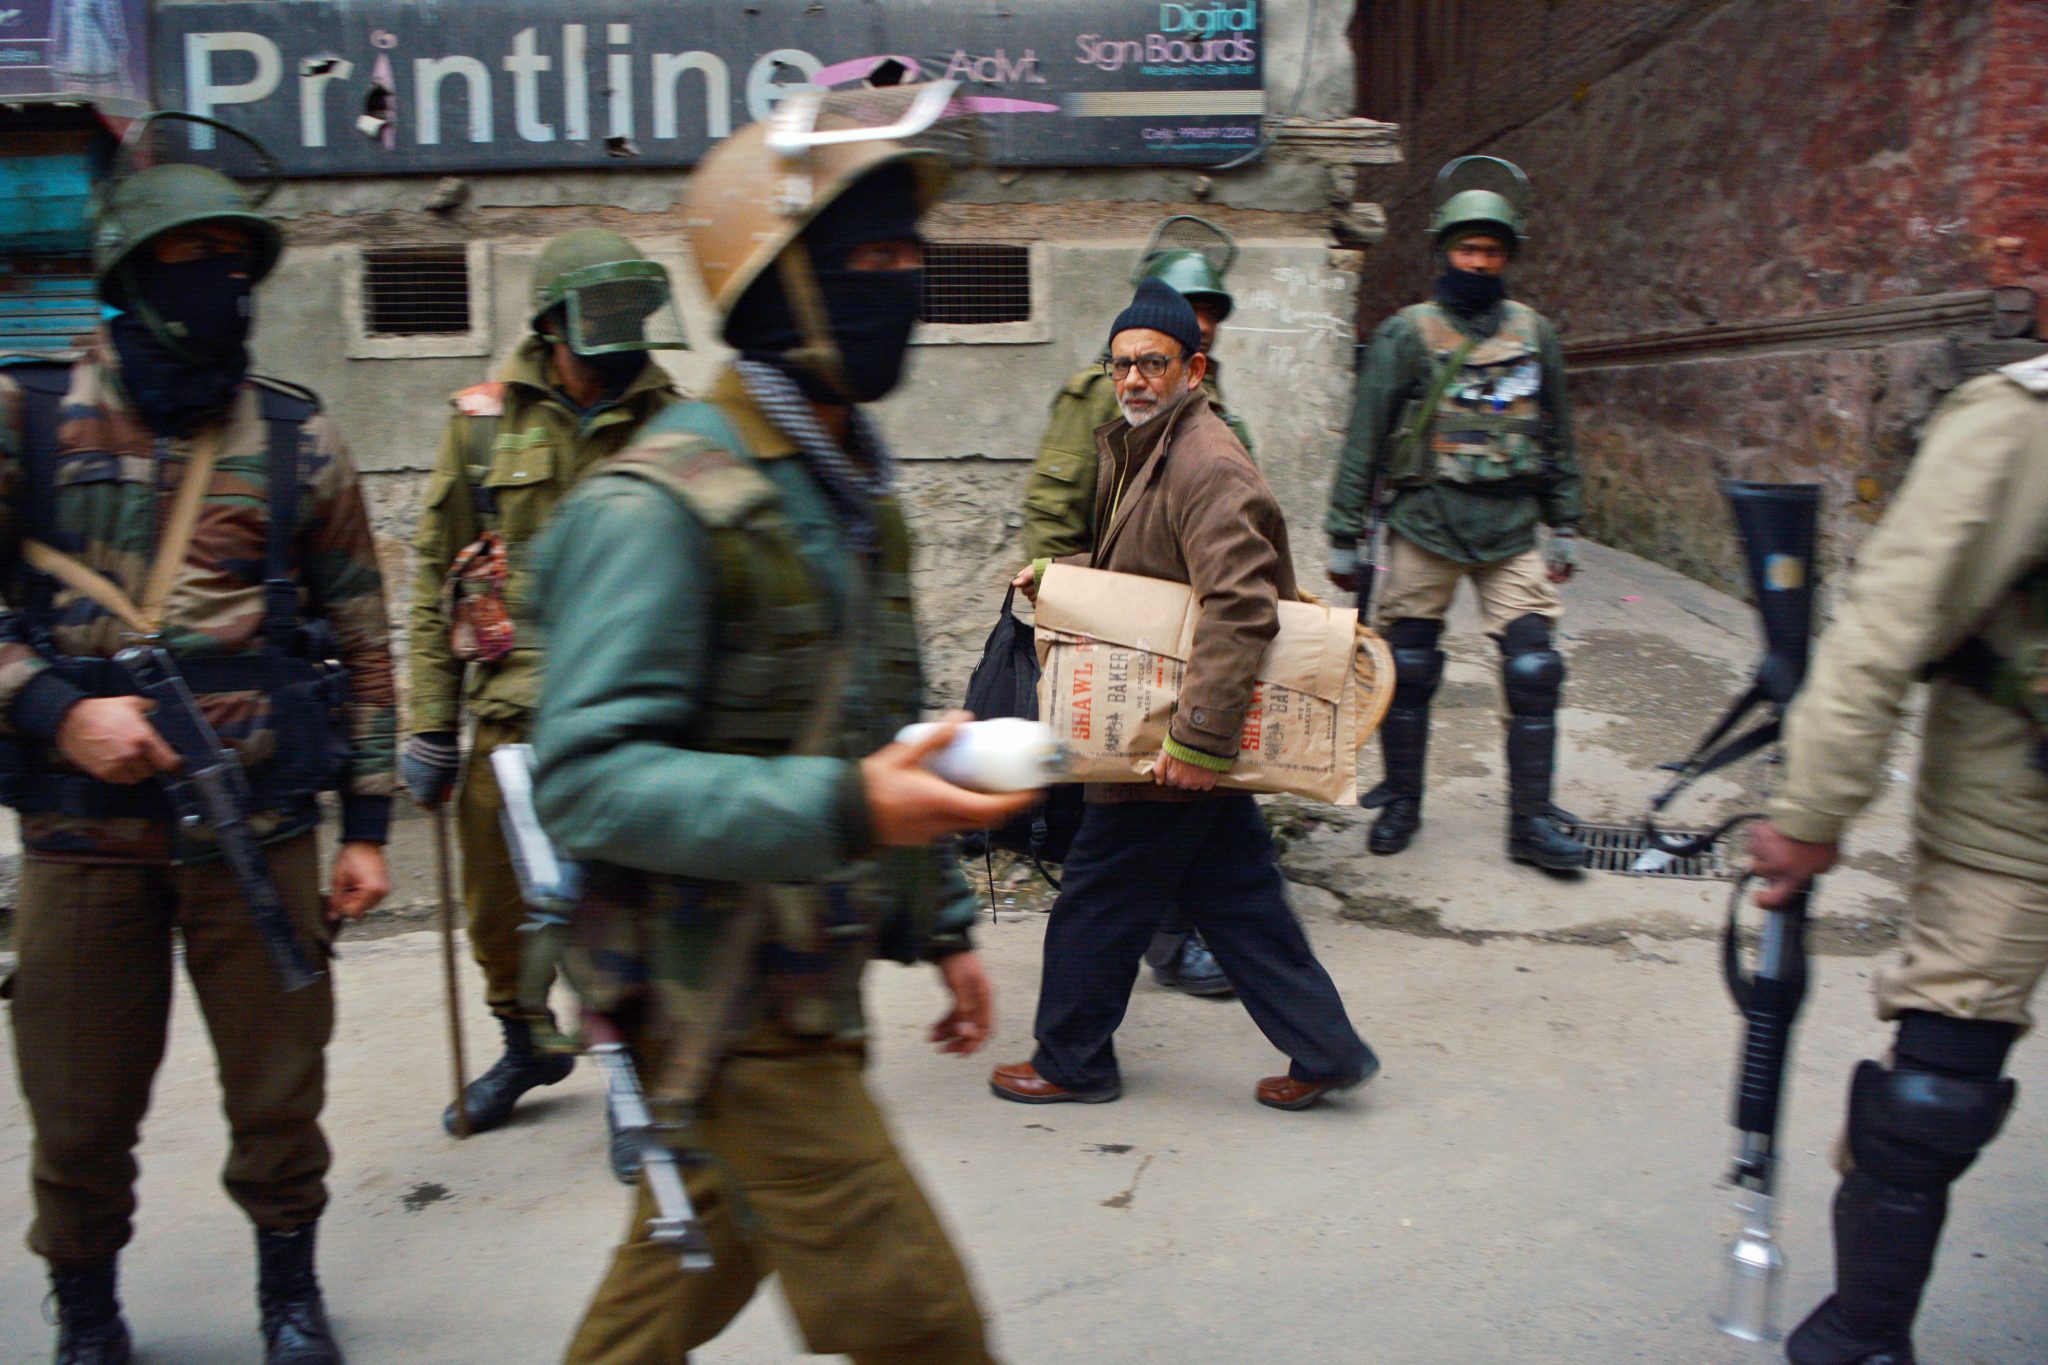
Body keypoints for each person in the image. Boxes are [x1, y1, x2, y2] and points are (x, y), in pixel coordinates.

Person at [530, 85, 1028, 1364]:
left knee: (686, 1265)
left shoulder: (849, 485)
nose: (903, 282)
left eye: (912, 254)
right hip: (727, 1001)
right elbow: (586, 783)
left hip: (806, 979)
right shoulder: (660, 501)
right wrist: (849, 811)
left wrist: (941, 922)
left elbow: (880, 726)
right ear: (775, 287)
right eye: (866, 257)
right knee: (927, 1330)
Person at [0, 155, 394, 1364]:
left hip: (259, 833)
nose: (223, 285)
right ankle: (88, 1313)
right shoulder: (26, 417)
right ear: (127, 278)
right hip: (82, 840)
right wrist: (55, 706)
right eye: (191, 262)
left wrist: (370, 821)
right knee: (76, 1111)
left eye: (236, 264)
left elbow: (366, 632)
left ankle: (288, 1294)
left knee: (280, 1099)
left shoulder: (294, 434)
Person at [990, 278, 1377, 1113]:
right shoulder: (1147, 446)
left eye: (1152, 363)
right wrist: (1058, 578)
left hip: (1174, 733)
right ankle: (1327, 1048)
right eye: (1122, 363)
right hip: (1176, 721)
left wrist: (1199, 743)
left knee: (1098, 895)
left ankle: (1072, 1059)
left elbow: (1240, 605)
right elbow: (1154, 582)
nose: (1133, 378)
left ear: (1193, 367)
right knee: (1236, 895)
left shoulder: (1207, 463)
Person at [1749, 351, 2048, 1365]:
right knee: (1932, 1098)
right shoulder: (2020, 420)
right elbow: (1888, 620)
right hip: (2022, 816)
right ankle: (1862, 1337)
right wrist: (1813, 804)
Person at [402, 228, 684, 1136]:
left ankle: (634, 1078)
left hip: (627, 716)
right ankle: (523, 1040)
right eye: (604, 316)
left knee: (620, 909)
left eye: (636, 315)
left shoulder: (673, 420)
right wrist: (429, 724)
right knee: (501, 912)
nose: (625, 335)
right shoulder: (483, 423)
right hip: (506, 714)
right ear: (554, 321)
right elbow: (434, 570)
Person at [1325, 162, 1587, 871]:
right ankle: (1404, 798)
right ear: (1445, 251)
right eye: (1467, 250)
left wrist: (1564, 522)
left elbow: (1557, 434)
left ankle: (1530, 821)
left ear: (1508, 257)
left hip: (1510, 531)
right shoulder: (1407, 334)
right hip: (1425, 526)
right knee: (1407, 669)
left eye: (1491, 251)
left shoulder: (1536, 334)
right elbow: (1366, 436)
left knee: (1534, 668)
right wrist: (1343, 535)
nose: (1479, 262)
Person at [1019, 218, 1254, 999]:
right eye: (1188, 302)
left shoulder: (1210, 411)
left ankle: (1201, 947)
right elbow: (1056, 500)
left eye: (1209, 307)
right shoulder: (1099, 393)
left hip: (1188, 629)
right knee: (1129, 803)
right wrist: (1060, 593)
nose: (1201, 317)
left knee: (1183, 801)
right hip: (1114, 626)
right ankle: (1164, 945)